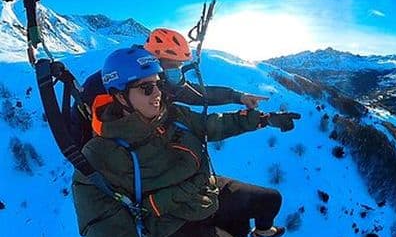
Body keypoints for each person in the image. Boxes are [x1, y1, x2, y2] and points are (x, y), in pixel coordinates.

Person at [71, 45, 301, 237]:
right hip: (175, 230)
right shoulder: (99, 161)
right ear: (119, 96)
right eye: (146, 88)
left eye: (159, 84)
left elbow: (214, 126)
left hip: (202, 193)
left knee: (271, 200)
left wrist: (263, 120)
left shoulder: (171, 115)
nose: (158, 95)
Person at [69, 28, 266, 148]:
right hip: (93, 134)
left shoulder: (158, 80)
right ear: (156, 62)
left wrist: (238, 96)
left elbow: (196, 94)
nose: (177, 75)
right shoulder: (123, 82)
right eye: (174, 68)